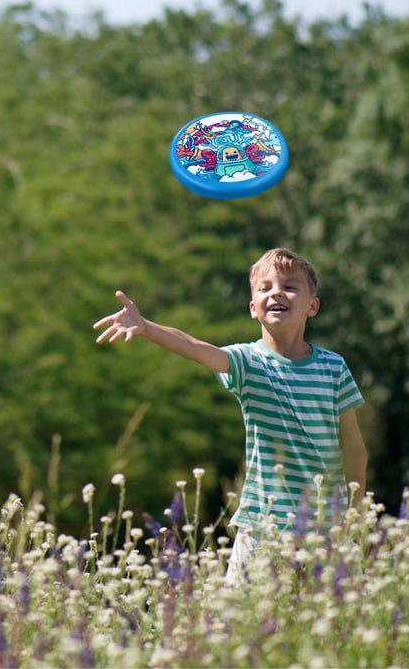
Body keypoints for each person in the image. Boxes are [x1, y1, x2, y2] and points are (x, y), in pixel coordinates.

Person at [93, 247, 367, 583]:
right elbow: (195, 347)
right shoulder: (247, 362)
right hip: (261, 527)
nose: (276, 292)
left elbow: (353, 446)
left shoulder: (333, 367)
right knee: (241, 628)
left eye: (290, 287)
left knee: (336, 627)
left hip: (327, 528)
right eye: (264, 288)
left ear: (312, 305)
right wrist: (146, 327)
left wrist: (355, 513)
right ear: (253, 308)